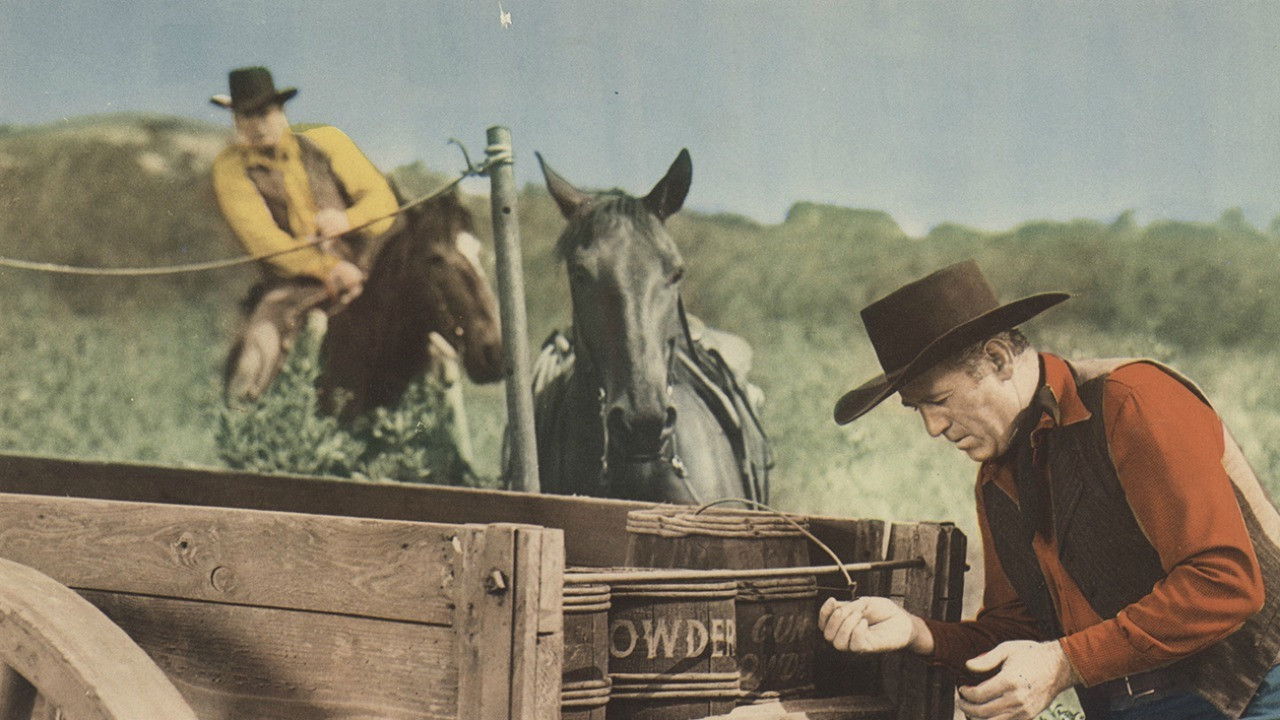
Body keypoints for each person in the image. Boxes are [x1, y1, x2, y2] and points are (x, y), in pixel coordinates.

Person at [818, 260, 1280, 719]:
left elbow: (1225, 583)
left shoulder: (1131, 399)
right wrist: (919, 633)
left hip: (1251, 687)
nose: (933, 428)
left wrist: (1064, 662)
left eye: (938, 401)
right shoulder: (997, 477)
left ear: (998, 359)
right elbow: (1021, 625)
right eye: (916, 409)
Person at [210, 66, 399, 403]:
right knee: (255, 355)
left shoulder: (325, 139)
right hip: (293, 285)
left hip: (369, 269)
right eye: (246, 115)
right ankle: (239, 432)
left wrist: (347, 220)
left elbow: (383, 201)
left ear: (281, 111)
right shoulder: (230, 168)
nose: (257, 124)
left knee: (434, 342)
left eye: (265, 112)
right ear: (235, 119)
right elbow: (265, 243)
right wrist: (330, 270)